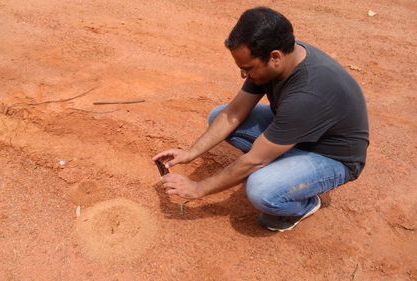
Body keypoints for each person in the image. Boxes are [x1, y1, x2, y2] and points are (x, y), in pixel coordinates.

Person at [152, 7, 369, 232]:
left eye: (247, 69)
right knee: (219, 115)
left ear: (275, 56)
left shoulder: (307, 94)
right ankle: (280, 159)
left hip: (331, 157)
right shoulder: (281, 55)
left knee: (262, 189)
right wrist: (191, 152)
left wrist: (198, 189)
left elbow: (254, 160)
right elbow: (234, 113)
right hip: (298, 133)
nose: (244, 76)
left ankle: (303, 205)